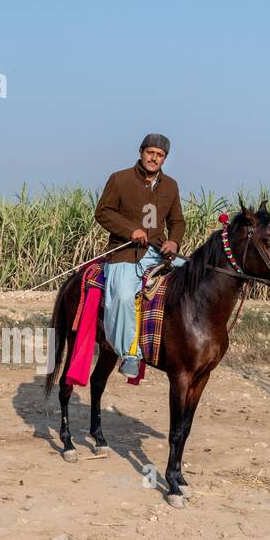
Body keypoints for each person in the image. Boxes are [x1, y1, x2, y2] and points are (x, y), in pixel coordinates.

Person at [93, 134, 187, 376]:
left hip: (158, 254)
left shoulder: (171, 185)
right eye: (150, 153)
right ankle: (129, 355)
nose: (154, 158)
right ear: (141, 152)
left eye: (160, 155)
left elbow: (177, 221)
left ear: (165, 159)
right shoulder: (119, 179)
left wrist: (173, 241)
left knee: (192, 284)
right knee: (124, 295)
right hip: (124, 253)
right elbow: (102, 212)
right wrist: (130, 230)